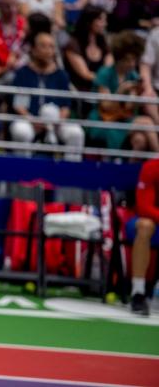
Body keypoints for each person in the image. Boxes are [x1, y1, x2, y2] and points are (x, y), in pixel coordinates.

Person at [9, 32, 85, 161]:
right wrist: (33, 121)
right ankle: (22, 177)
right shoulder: (23, 73)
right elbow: (19, 105)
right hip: (30, 120)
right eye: (43, 46)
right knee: (20, 131)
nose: (48, 50)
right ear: (33, 49)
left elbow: (65, 106)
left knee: (76, 133)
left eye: (51, 46)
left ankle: (69, 177)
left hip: (56, 122)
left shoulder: (61, 75)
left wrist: (55, 124)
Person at [88, 31, 159, 155]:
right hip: (103, 121)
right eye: (127, 60)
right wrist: (121, 91)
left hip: (123, 120)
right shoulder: (105, 73)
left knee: (140, 140)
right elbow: (106, 107)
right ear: (118, 58)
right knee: (147, 122)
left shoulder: (133, 75)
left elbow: (130, 109)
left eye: (134, 60)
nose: (132, 64)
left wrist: (137, 95)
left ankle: (134, 172)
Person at [128, 158, 159, 316]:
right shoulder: (152, 167)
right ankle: (138, 293)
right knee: (145, 226)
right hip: (147, 220)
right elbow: (144, 207)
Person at [62, 5, 112, 94]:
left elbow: (108, 68)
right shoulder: (73, 44)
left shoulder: (104, 44)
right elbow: (85, 74)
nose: (105, 24)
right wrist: (104, 81)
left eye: (105, 20)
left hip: (103, 89)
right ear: (89, 21)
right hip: (81, 91)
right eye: (100, 20)